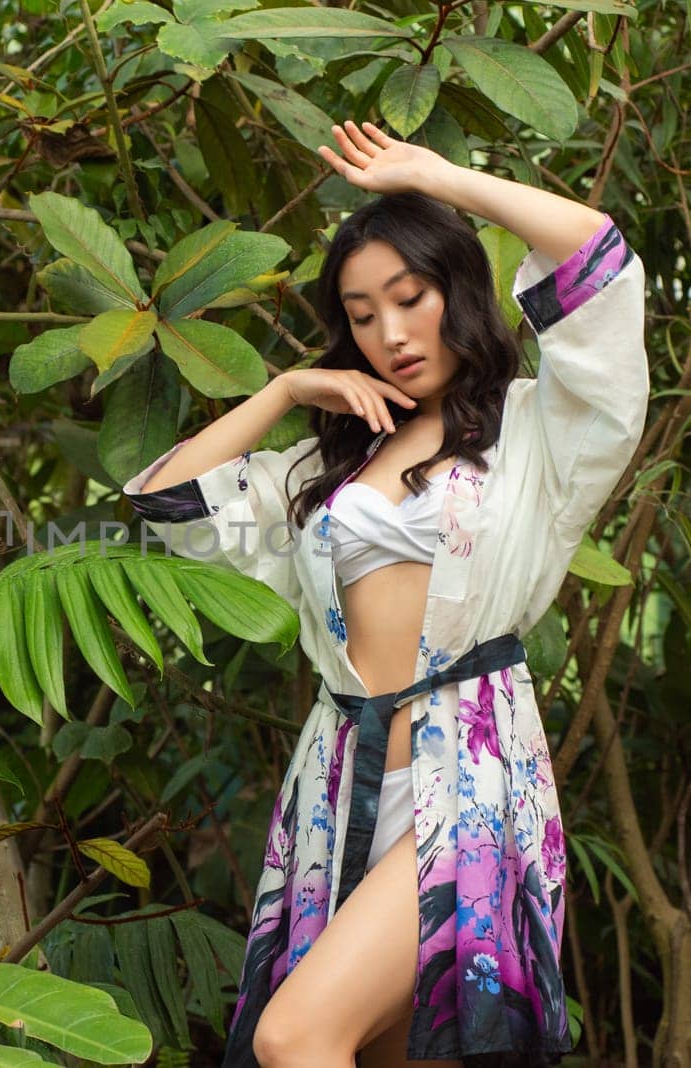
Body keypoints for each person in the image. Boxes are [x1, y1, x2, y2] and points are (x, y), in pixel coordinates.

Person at [121, 120, 649, 1066]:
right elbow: (167, 502)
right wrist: (283, 389)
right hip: (340, 782)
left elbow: (597, 261)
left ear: (459, 290)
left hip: (469, 782)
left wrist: (442, 177)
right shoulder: (327, 468)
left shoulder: (540, 434)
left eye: (411, 298)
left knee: (298, 1036)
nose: (392, 333)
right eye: (363, 314)